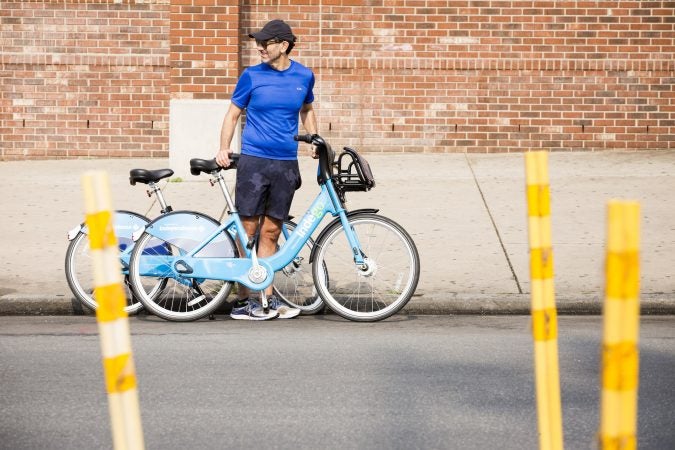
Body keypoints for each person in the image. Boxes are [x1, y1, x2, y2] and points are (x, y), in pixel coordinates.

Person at [215, 19, 318, 320]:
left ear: (283, 46)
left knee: (271, 231)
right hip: (254, 161)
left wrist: (313, 139)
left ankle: (267, 298)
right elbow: (232, 114)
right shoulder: (251, 76)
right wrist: (223, 148)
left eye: (266, 43)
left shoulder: (304, 76)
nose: (259, 47)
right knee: (247, 230)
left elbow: (307, 109)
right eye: (258, 42)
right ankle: (244, 297)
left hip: (286, 163)